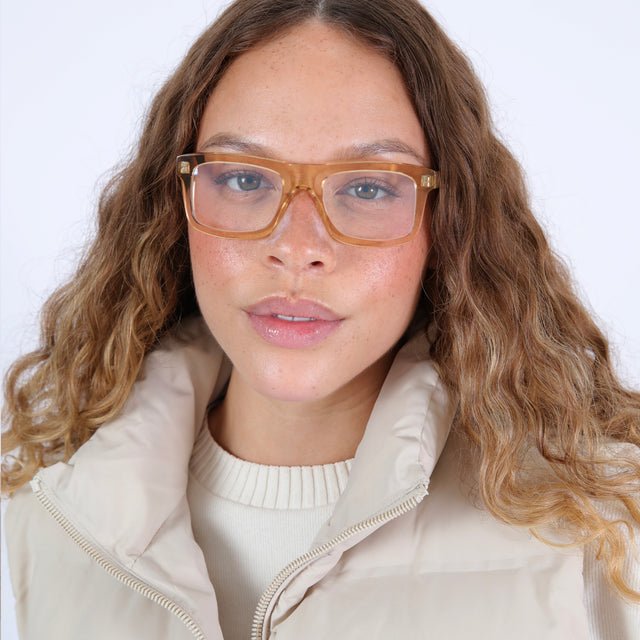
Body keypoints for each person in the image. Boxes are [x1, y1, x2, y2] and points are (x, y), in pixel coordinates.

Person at [2, 0, 639, 638]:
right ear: (175, 207)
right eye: (245, 178)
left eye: (367, 187)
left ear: (449, 223)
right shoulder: (48, 524)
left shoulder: (599, 529)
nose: (297, 246)